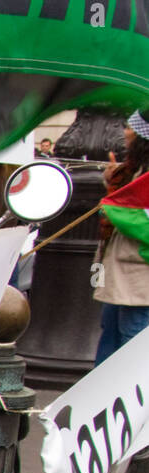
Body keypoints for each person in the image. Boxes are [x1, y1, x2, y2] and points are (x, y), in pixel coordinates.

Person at [93, 111, 149, 365]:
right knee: (113, 339)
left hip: (138, 279)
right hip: (123, 275)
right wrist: (114, 185)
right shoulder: (135, 171)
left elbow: (140, 218)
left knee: (131, 347)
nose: (124, 132)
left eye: (129, 127)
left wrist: (116, 208)